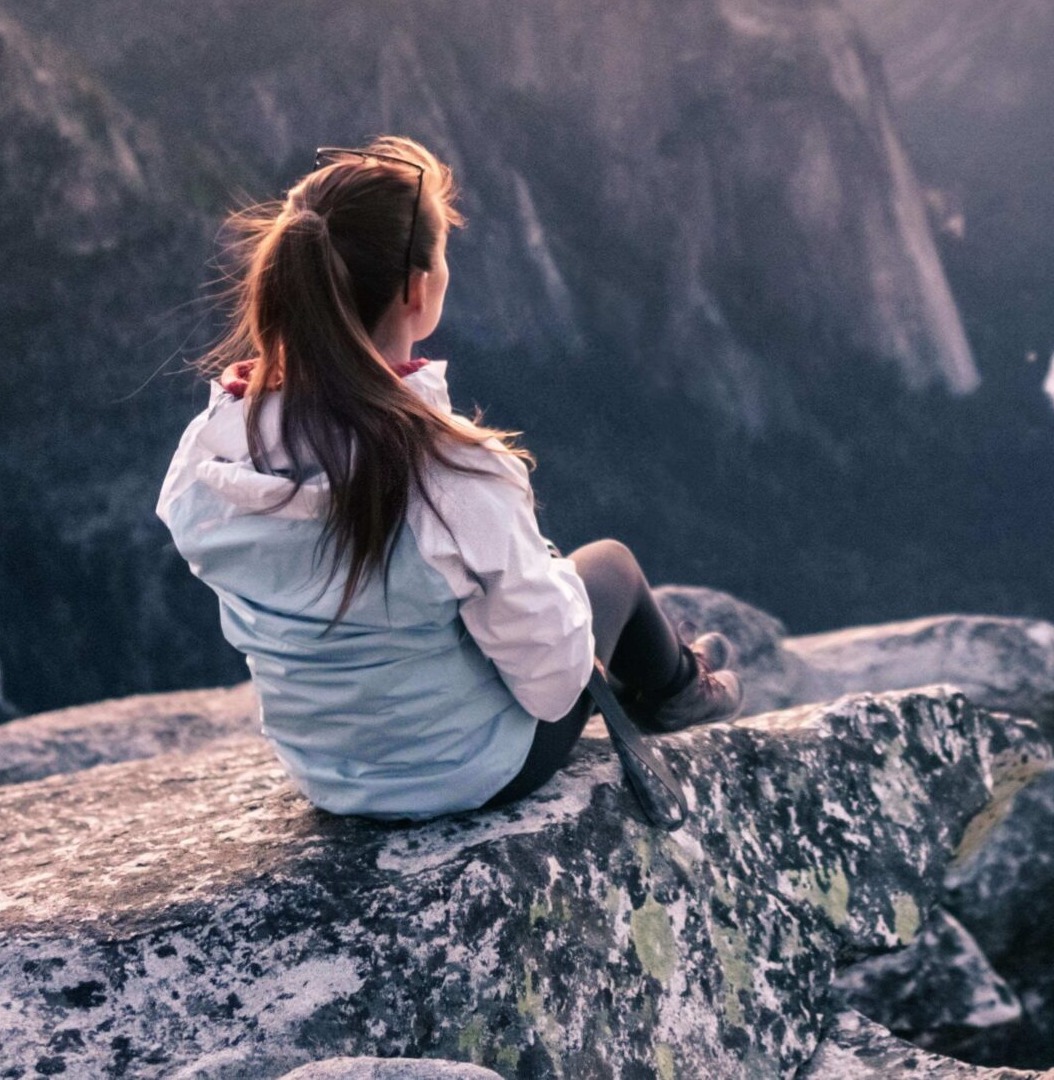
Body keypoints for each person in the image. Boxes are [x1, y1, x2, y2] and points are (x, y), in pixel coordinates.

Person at [155, 136, 740, 820]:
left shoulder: (211, 455)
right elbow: (554, 685)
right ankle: (679, 688)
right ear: (417, 291)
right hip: (472, 769)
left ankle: (673, 676)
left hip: (328, 773)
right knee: (607, 568)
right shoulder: (449, 471)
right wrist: (546, 587)